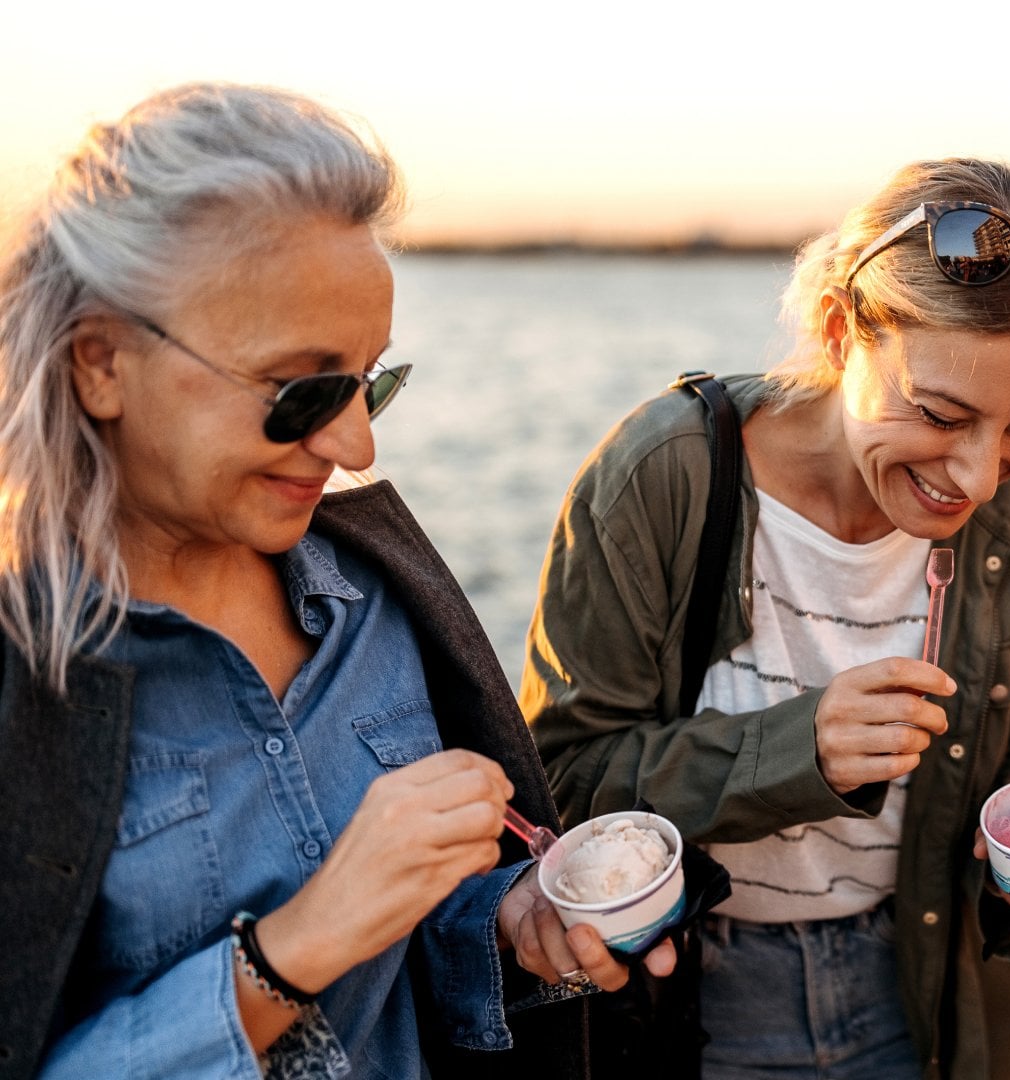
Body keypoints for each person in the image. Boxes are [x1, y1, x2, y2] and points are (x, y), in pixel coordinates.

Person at [0, 83, 671, 1080]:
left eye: (371, 384)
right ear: (101, 364)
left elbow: (413, 958)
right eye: (303, 391)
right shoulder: (26, 676)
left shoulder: (376, 593)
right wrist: (295, 948)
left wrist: (516, 926)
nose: (353, 444)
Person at [522, 159, 1010, 1079]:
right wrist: (797, 750)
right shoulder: (663, 476)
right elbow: (559, 787)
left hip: (931, 1008)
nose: (974, 474)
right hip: (694, 1003)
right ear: (842, 333)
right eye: (939, 413)